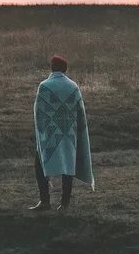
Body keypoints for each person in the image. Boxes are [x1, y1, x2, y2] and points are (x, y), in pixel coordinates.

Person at [32, 53, 93, 210]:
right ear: (65, 69)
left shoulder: (44, 86)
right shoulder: (73, 86)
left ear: (52, 68)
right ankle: (64, 204)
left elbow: (38, 113)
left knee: (40, 164)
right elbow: (80, 111)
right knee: (68, 166)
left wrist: (43, 132)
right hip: (68, 133)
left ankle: (44, 201)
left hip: (50, 134)